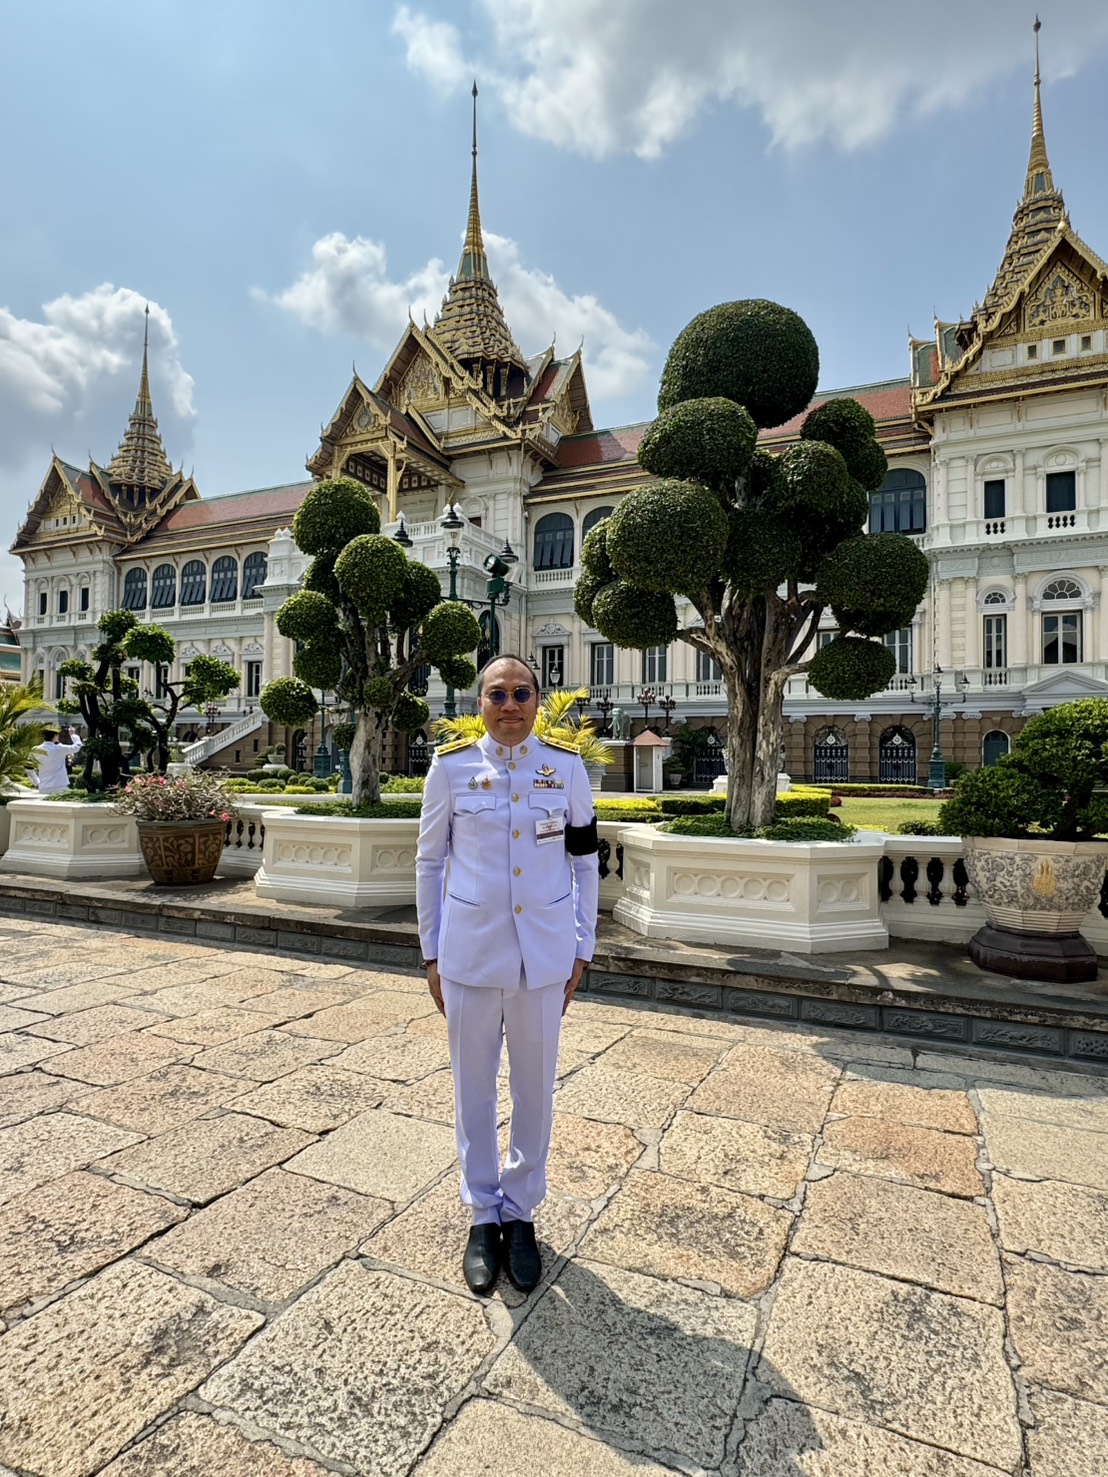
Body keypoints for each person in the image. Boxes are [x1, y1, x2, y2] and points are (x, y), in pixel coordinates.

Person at [416, 654, 600, 1296]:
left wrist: (584, 946)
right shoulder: (451, 770)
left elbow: (584, 864)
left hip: (544, 957)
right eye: (497, 694)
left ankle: (520, 1213)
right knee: (473, 1090)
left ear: (538, 701)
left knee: (534, 1088)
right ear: (480, 705)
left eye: (522, 692)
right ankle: (481, 1212)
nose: (510, 703)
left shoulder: (567, 770)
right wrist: (431, 953)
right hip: (469, 953)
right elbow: (430, 864)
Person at [31, 729, 79, 795]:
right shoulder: (59, 748)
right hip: (60, 786)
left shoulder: (35, 749)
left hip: (43, 787)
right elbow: (76, 747)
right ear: (55, 736)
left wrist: (36, 782)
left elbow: (28, 768)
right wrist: (75, 737)